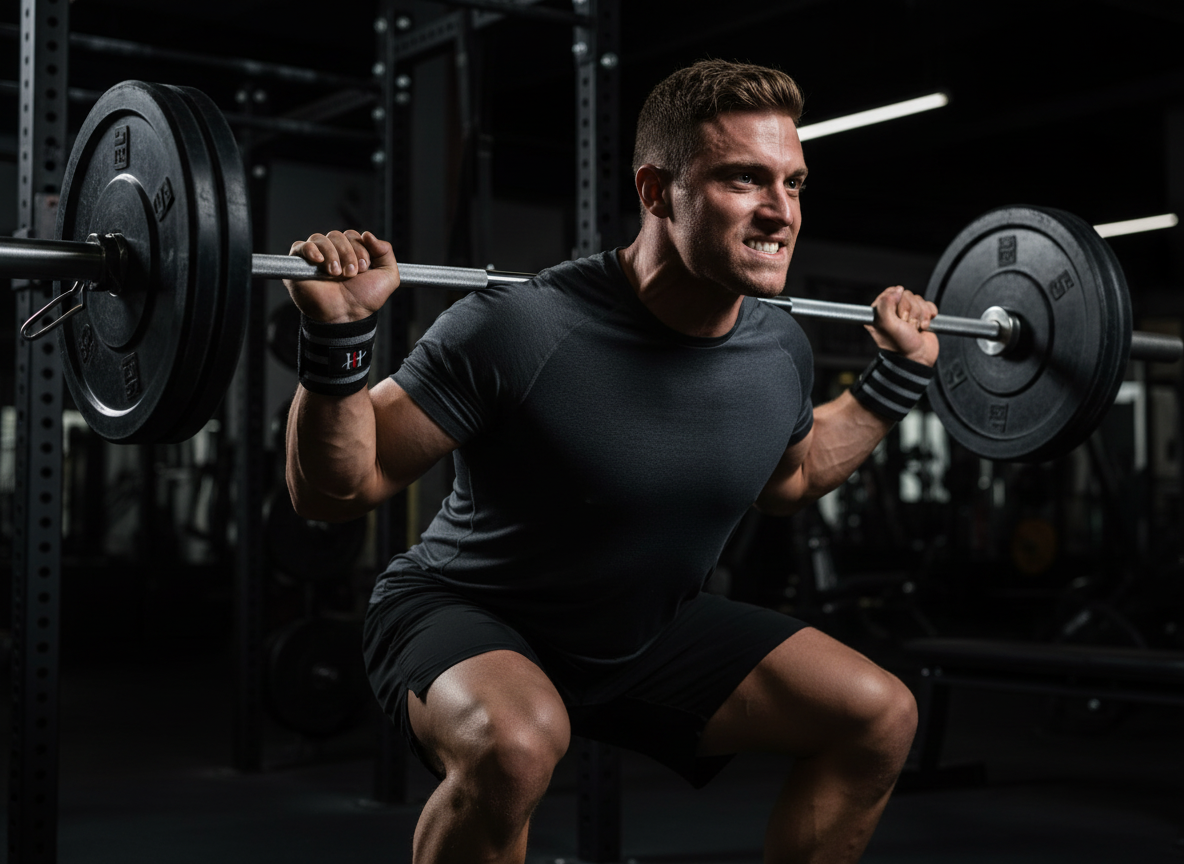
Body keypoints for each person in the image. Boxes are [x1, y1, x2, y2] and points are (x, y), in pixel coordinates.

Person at [284, 59, 939, 864]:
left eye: (793, 182)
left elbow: (792, 477)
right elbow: (337, 488)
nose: (780, 212)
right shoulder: (519, 326)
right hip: (465, 611)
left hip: (643, 630)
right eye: (745, 179)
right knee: (516, 746)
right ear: (657, 192)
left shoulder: (779, 350)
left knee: (878, 714)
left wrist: (896, 379)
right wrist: (340, 342)